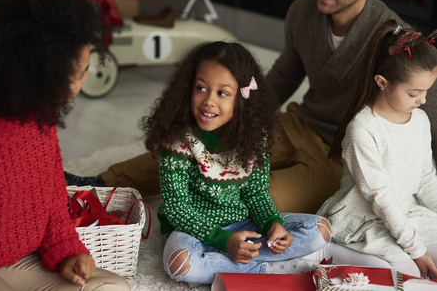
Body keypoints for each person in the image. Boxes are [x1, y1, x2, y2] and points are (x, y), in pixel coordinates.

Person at [64, 0, 422, 215]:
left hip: (340, 154)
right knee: (193, 146)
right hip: (298, 123)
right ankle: (100, 181)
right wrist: (239, 114)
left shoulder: (392, 37)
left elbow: (421, 106)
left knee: (258, 198)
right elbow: (284, 74)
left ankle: (197, 216)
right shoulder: (302, 12)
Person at [140, 41, 331, 285]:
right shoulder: (177, 140)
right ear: (188, 88)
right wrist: (223, 241)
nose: (208, 101)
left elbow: (256, 194)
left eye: (222, 93)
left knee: (321, 230)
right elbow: (178, 209)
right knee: (180, 263)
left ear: (241, 100)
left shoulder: (253, 138)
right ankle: (268, 268)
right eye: (201, 88)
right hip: (192, 232)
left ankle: (231, 263)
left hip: (242, 224)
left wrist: (273, 224)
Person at [0, 0, 130, 290]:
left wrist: (66, 250)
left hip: (22, 258)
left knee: (112, 288)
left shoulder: (41, 117)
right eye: (79, 74)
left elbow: (50, 190)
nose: (84, 81)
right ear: (44, 72)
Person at [317, 20, 437, 278]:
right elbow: (380, 198)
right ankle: (328, 250)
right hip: (363, 221)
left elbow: (426, 178)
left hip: (407, 211)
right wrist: (416, 251)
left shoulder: (420, 119)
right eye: (415, 92)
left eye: (427, 90)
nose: (423, 99)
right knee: (408, 275)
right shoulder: (363, 129)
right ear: (382, 82)